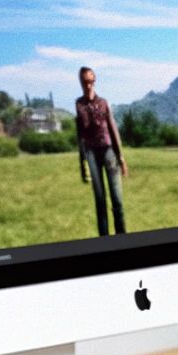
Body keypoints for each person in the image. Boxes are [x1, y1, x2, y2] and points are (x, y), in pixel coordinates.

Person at [74, 66, 128, 235]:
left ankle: (123, 239)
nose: (87, 85)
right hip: (91, 154)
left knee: (117, 200)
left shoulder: (103, 103)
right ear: (80, 83)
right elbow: (80, 136)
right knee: (100, 201)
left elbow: (113, 129)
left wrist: (121, 158)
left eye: (90, 82)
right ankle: (104, 242)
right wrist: (82, 165)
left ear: (94, 81)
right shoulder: (79, 105)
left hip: (109, 152)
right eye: (84, 82)